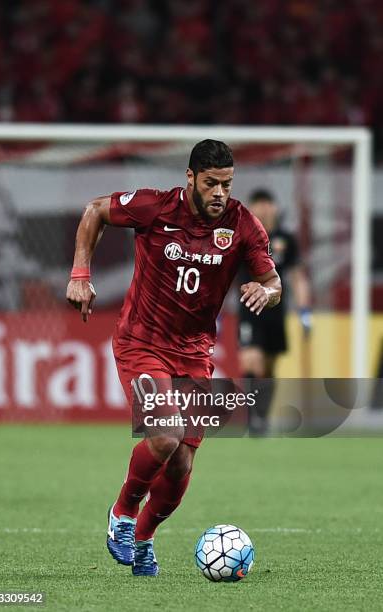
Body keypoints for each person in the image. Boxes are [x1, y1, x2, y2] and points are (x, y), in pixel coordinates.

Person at [66, 140, 281, 576]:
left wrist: (268, 291)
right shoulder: (155, 208)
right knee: (165, 435)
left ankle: (143, 538)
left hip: (195, 354)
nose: (220, 192)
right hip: (142, 343)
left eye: (227, 183)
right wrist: (80, 274)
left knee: (181, 461)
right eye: (211, 183)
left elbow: (272, 280)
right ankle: (122, 514)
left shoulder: (243, 225)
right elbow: (94, 211)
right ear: (191, 178)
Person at [238, 188, 311, 435]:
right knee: (252, 361)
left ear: (275, 207)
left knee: (268, 368)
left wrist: (304, 312)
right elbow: (224, 276)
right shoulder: (242, 237)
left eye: (267, 203)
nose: (263, 208)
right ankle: (251, 420)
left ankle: (262, 416)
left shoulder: (285, 240)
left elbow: (298, 277)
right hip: (249, 310)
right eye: (258, 204)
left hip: (275, 311)